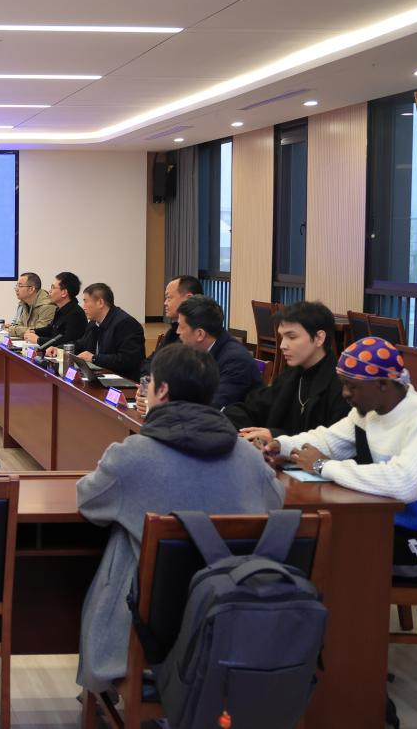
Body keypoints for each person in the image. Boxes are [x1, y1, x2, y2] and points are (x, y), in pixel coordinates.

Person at [75, 344, 285, 696]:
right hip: (231, 619)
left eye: (149, 383)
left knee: (123, 536)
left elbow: (88, 502)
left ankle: (114, 682)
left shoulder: (132, 456)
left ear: (162, 391)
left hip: (150, 627)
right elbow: (275, 507)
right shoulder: (249, 458)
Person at [268, 338, 417, 580]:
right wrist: (281, 446)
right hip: (391, 523)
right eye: (343, 384)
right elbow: (328, 441)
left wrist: (322, 466)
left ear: (383, 384)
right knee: (311, 539)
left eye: (352, 386)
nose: (345, 394)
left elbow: (403, 484)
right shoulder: (369, 412)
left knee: (332, 556)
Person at [224, 301, 349, 442]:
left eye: (292, 337)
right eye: (282, 337)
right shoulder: (291, 375)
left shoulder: (343, 387)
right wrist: (220, 418)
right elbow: (254, 408)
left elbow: (334, 443)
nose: (282, 345)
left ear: (319, 338)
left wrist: (277, 437)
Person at [175, 294, 261, 409]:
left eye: (181, 327)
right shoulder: (198, 349)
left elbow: (215, 406)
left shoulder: (235, 361)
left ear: (200, 334)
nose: (177, 332)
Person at [48, 282, 145, 380]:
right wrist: (60, 349)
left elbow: (127, 360)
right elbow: (81, 344)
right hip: (99, 376)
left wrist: (93, 358)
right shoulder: (93, 323)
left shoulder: (126, 324)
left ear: (100, 303)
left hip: (123, 380)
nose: (83, 307)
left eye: (86, 301)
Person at [140, 274, 202, 374]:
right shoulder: (174, 330)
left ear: (188, 299)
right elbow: (149, 362)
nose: (165, 303)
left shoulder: (197, 335)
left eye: (169, 298)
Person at [25, 271, 87, 347]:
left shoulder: (75, 314)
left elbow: (67, 342)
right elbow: (51, 329)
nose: (49, 291)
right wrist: (34, 331)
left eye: (53, 287)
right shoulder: (60, 309)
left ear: (64, 293)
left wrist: (38, 340)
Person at [7, 272, 55, 338]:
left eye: (20, 286)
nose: (16, 289)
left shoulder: (47, 306)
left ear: (31, 289)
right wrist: (16, 329)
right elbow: (18, 325)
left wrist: (14, 329)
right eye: (16, 286)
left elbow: (38, 332)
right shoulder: (26, 303)